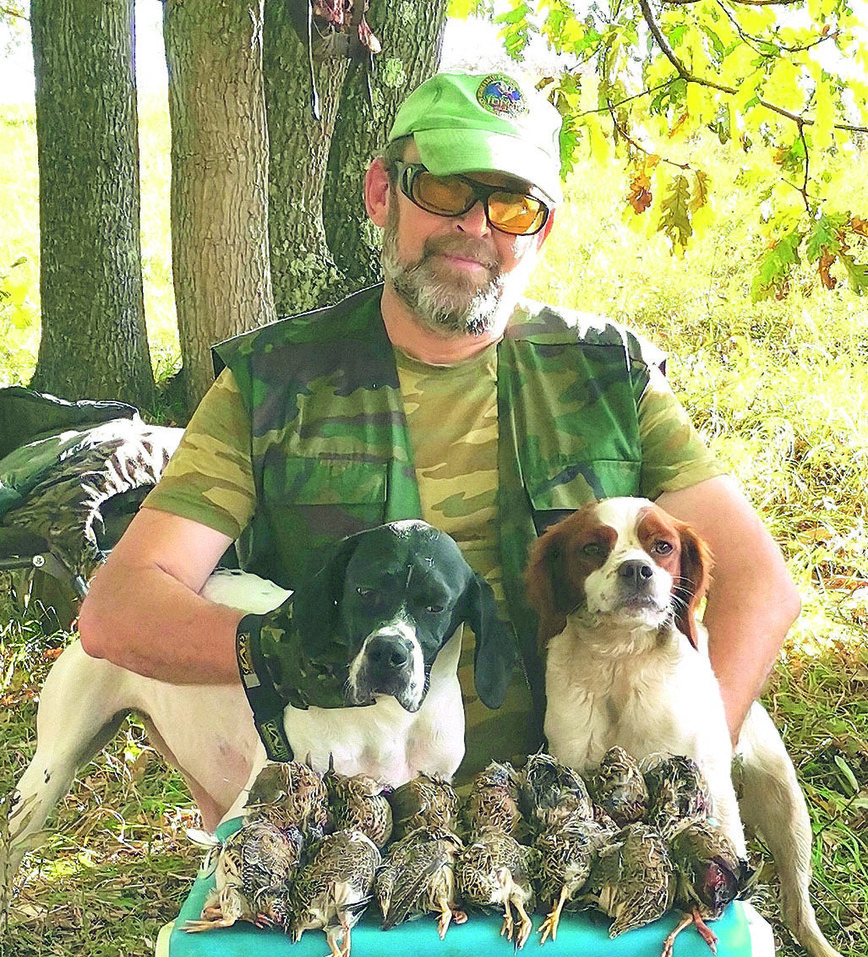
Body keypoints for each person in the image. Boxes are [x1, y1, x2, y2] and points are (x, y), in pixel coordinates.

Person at [78, 70, 799, 823]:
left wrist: (686, 768)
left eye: (513, 206)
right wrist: (284, 649)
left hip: (571, 812)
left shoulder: (608, 376)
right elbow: (121, 610)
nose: (477, 226)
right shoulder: (273, 383)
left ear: (541, 232)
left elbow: (757, 585)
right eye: (447, 190)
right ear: (381, 193)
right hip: (353, 811)